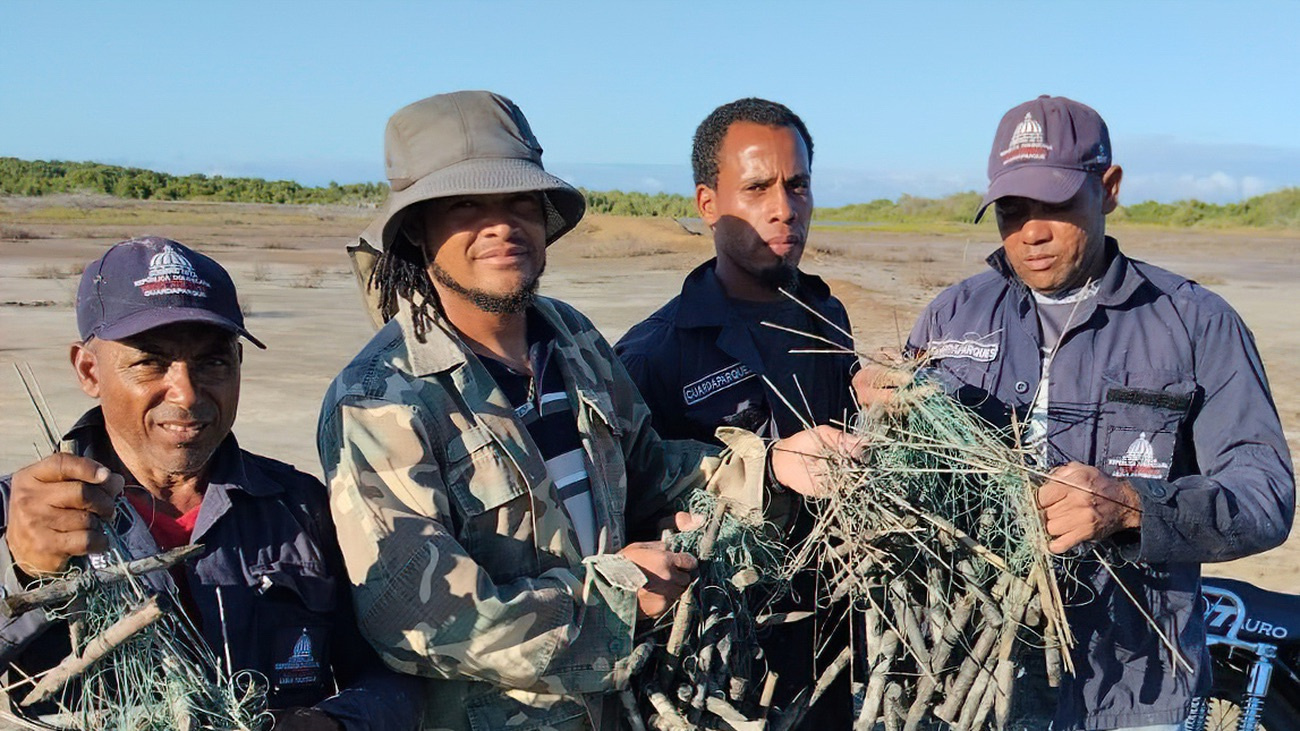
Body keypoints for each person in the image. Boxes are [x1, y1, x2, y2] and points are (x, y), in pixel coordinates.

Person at [318, 91, 843, 731]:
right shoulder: (382, 398)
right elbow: (415, 618)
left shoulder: (572, 340)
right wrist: (616, 602)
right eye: (464, 205)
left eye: (519, 200)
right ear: (418, 230)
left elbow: (649, 466)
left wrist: (769, 469)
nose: (501, 224)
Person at [898, 95, 1294, 730]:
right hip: (968, 686)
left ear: (1108, 189)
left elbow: (1265, 497)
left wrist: (1130, 506)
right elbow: (909, 482)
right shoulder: (951, 315)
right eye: (1011, 209)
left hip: (1135, 692)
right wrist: (882, 421)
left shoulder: (1197, 322)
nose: (1031, 231)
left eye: (1055, 204)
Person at [0, 237, 423, 730]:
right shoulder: (20, 509)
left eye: (213, 362)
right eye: (149, 362)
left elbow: (397, 674)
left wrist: (332, 722)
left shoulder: (303, 505)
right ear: (89, 370)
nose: (186, 391)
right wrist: (24, 571)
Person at [615, 97, 857, 725]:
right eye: (757, 188)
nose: (784, 208)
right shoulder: (651, 354)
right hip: (713, 669)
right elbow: (630, 509)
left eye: (797, 185)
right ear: (707, 204)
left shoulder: (827, 318)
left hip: (832, 649)